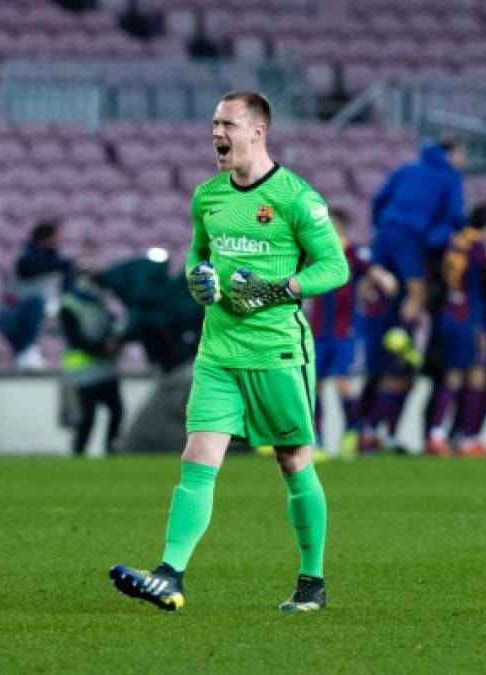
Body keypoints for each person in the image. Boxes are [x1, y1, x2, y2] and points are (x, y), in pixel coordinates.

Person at [108, 91, 348, 613]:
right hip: (217, 352)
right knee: (197, 456)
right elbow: (198, 253)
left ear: (257, 130)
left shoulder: (295, 197)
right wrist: (199, 280)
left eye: (228, 123)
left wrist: (278, 289)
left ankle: (313, 584)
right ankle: (170, 575)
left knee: (292, 460)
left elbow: (335, 268)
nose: (217, 132)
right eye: (214, 122)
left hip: (276, 353)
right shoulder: (208, 196)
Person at [363, 135, 467, 451]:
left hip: (385, 234)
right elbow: (454, 217)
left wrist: (381, 228)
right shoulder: (449, 177)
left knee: (377, 282)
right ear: (451, 153)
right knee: (416, 291)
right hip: (411, 235)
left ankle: (377, 323)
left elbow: (379, 199)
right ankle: (403, 334)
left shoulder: (407, 168)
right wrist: (431, 241)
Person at [306, 208, 395, 457]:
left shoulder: (354, 254)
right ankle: (318, 441)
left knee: (344, 385)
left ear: (342, 228)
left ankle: (352, 432)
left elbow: (374, 272)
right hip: (317, 331)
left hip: (344, 331)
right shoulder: (314, 253)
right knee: (315, 387)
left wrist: (383, 279)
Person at [424, 203, 486, 457]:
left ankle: (437, 433)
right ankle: (468, 437)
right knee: (475, 376)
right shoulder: (479, 248)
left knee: (452, 376)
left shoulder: (452, 243)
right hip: (470, 319)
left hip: (448, 313)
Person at [59, 272, 123, 456]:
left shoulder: (100, 303)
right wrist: (103, 349)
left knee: (117, 411)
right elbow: (76, 339)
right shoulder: (69, 305)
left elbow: (111, 328)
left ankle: (111, 449)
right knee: (87, 417)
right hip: (83, 374)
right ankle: (79, 451)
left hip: (106, 369)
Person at [0, 220, 74, 371]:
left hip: (40, 310)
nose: (59, 241)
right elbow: (31, 267)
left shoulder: (56, 260)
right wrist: (65, 264)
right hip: (14, 312)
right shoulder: (27, 258)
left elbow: (67, 282)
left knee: (68, 310)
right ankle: (26, 353)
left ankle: (29, 356)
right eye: (56, 237)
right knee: (35, 305)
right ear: (44, 239)